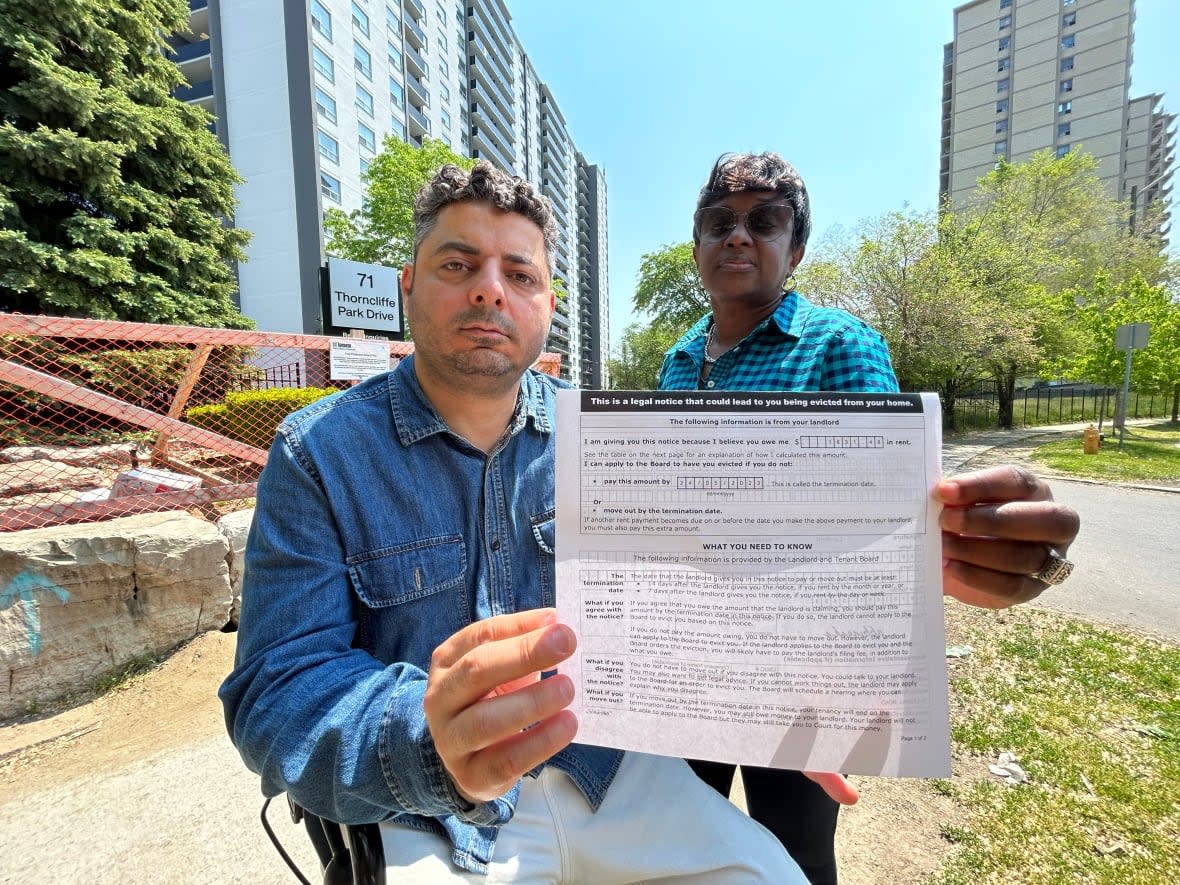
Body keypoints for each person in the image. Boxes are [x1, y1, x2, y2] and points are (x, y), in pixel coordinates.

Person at [220, 161, 807, 882]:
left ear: (547, 303)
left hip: (609, 774)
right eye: (458, 262)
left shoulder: (605, 438)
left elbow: (688, 597)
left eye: (519, 275)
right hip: (424, 810)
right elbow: (277, 690)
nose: (490, 288)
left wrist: (806, 674)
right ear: (408, 287)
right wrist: (430, 739)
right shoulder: (317, 455)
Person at [658, 151, 1082, 884]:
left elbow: (889, 514)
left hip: (805, 665)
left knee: (794, 846)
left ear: (796, 248)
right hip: (696, 653)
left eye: (764, 221)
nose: (737, 236)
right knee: (683, 835)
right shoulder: (677, 358)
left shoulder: (839, 345)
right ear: (696, 243)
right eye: (718, 221)